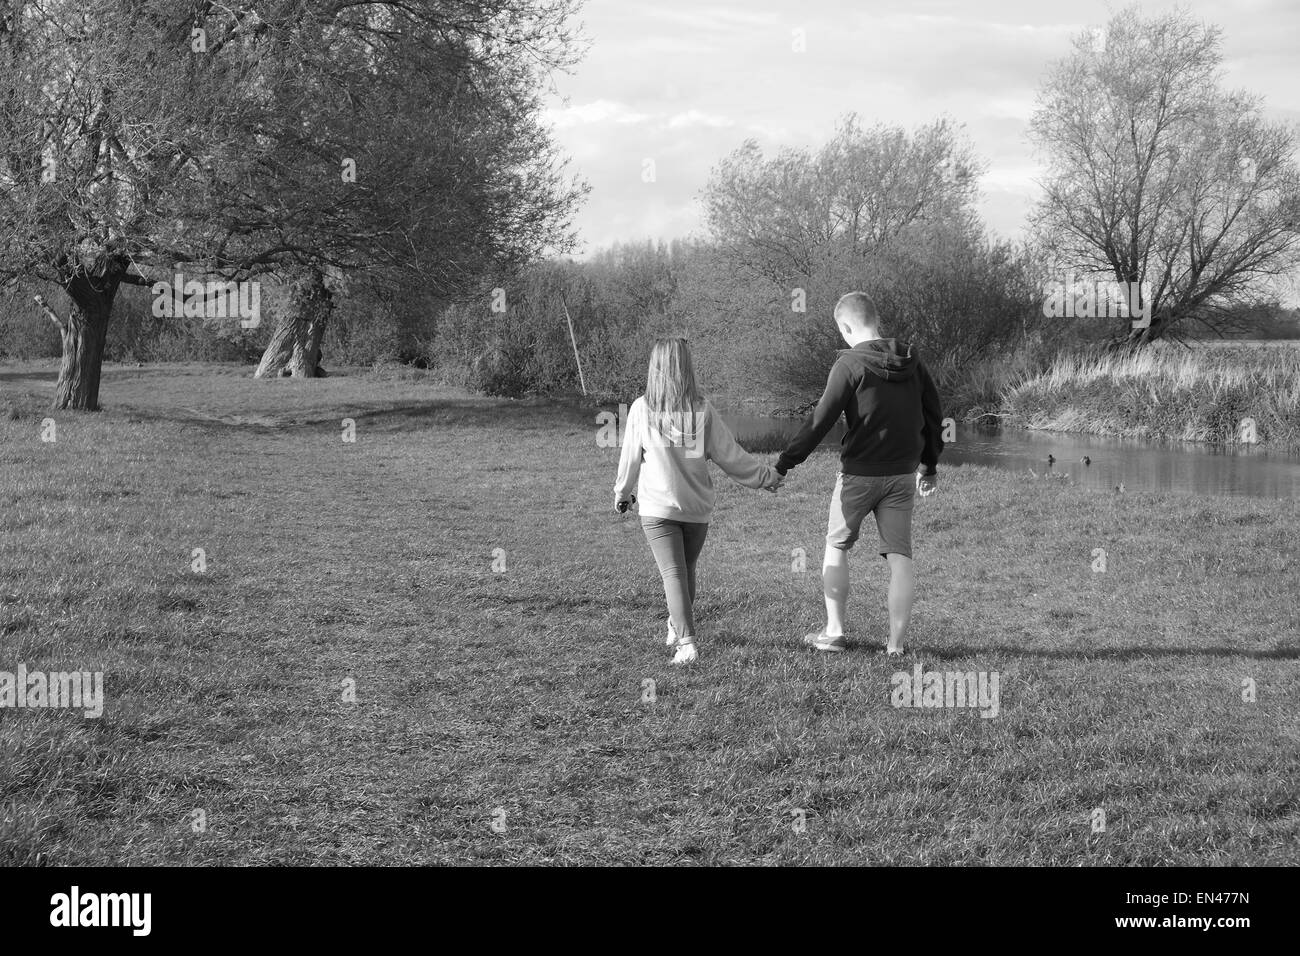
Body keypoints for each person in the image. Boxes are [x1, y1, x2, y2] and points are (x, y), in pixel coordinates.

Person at [774, 292, 944, 657]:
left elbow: (819, 422)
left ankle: (834, 633)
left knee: (836, 547)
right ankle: (896, 646)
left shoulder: (849, 363)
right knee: (900, 557)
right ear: (876, 318)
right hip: (901, 476)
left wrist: (785, 463)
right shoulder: (914, 361)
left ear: (847, 326)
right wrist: (929, 465)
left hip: (857, 476)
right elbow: (933, 415)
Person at [614, 338, 783, 664]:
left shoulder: (642, 409)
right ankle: (677, 625)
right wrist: (764, 478)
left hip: (658, 508)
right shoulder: (702, 409)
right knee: (684, 570)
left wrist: (622, 495)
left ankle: (687, 643)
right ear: (687, 367)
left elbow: (629, 462)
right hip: (696, 507)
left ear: (655, 368)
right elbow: (730, 456)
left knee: (674, 573)